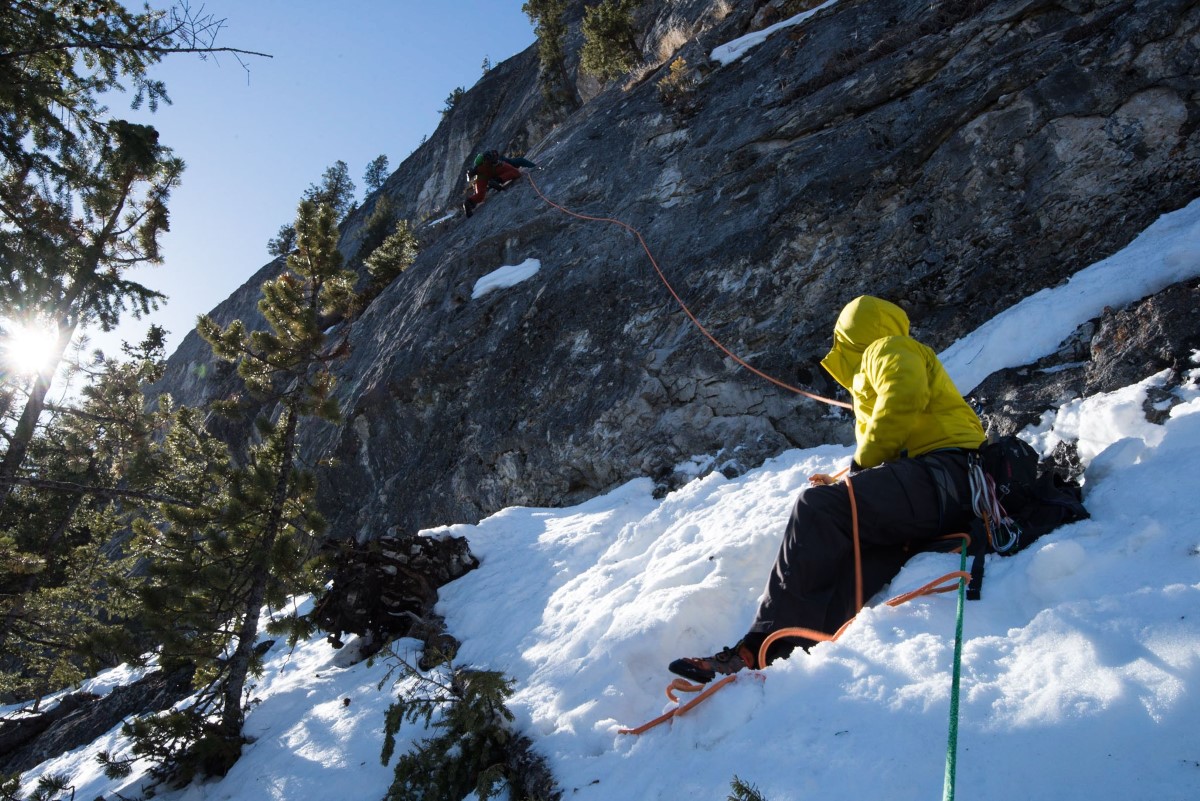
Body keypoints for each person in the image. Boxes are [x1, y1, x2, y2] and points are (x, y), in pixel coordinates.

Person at [669, 295, 986, 683]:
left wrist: (860, 469)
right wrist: (848, 480)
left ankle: (760, 644)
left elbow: (902, 398)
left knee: (817, 508)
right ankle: (792, 652)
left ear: (850, 336)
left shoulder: (888, 346)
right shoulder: (890, 358)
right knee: (855, 556)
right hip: (950, 494)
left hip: (943, 476)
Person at [462, 150, 538, 217]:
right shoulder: (499, 161)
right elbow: (515, 171)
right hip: (496, 169)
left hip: (483, 175)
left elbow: (472, 173)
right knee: (516, 169)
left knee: (480, 195)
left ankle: (469, 202)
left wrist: (471, 173)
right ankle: (497, 180)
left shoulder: (480, 165)